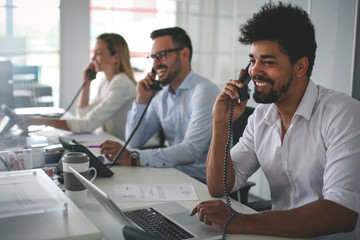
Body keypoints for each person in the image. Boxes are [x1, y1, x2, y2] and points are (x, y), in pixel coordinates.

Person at [190, 2, 360, 239]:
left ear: (300, 66)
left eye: (268, 62)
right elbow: (220, 186)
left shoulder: (344, 114)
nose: (254, 71)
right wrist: (220, 121)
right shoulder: (261, 117)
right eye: (253, 60)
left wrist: (242, 222)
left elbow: (341, 212)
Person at [100, 27, 220, 183]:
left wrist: (134, 157)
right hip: (171, 175)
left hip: (203, 184)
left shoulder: (204, 91)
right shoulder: (160, 94)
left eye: (161, 56)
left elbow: (191, 151)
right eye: (153, 57)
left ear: (184, 54)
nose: (156, 64)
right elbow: (133, 142)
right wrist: (141, 100)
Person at [19, 33, 136, 140]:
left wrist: (36, 121)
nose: (93, 58)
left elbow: (87, 124)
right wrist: (87, 83)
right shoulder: (106, 81)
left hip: (126, 149)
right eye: (93, 53)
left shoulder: (122, 84)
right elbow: (82, 115)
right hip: (113, 142)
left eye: (98, 53)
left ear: (115, 57)